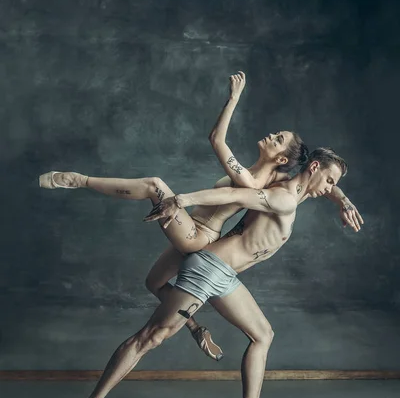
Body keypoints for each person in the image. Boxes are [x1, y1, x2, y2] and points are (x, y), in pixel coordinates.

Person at [40, 147, 363, 398]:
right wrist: (182, 199)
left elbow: (326, 187)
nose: (330, 187)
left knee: (263, 335)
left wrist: (343, 199)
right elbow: (233, 193)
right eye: (329, 179)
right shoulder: (285, 197)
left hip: (226, 276)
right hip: (209, 268)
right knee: (150, 338)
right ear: (315, 167)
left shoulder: (297, 188)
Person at [40, 73, 362, 363]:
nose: (272, 134)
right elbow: (221, 142)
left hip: (198, 235)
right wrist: (342, 199)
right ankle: (194, 327)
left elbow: (290, 182)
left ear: (280, 158)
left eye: (278, 139)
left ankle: (77, 180)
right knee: (153, 283)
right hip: (193, 231)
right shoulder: (262, 175)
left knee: (155, 186)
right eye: (277, 133)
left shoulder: (253, 182)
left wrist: (234, 99)